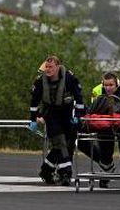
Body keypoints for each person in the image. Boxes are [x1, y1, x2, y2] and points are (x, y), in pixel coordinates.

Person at [80, 71, 120, 188]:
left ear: (117, 84)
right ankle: (107, 171)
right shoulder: (97, 91)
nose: (108, 88)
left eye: (111, 85)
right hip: (106, 124)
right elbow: (95, 110)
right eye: (106, 85)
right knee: (105, 149)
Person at [29, 55, 85, 186]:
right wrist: (33, 119)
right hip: (51, 115)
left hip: (67, 114)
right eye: (46, 67)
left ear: (58, 67)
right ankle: (66, 173)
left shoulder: (70, 78)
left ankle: (46, 170)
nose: (48, 70)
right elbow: (34, 102)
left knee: (65, 145)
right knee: (60, 143)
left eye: (51, 67)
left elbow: (79, 98)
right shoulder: (39, 81)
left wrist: (78, 115)